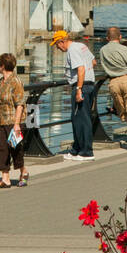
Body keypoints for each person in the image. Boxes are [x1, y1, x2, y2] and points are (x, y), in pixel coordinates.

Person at [98, 26, 127, 151]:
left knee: (122, 112)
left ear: (107, 38)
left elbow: (103, 65)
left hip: (113, 83)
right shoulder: (123, 48)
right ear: (120, 37)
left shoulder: (102, 50)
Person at [54, 30, 97, 161]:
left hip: (81, 87)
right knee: (78, 119)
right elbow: (93, 62)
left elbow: (81, 69)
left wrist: (78, 89)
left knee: (82, 120)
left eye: (56, 44)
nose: (57, 47)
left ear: (62, 41)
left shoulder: (72, 50)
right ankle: (76, 150)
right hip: (89, 85)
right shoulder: (81, 46)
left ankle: (86, 152)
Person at [0, 53, 27, 188]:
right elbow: (0, 93)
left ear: (2, 66)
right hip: (1, 120)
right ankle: (5, 178)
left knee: (15, 149)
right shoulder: (2, 81)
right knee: (2, 148)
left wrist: (17, 124)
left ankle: (23, 171)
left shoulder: (15, 82)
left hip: (13, 121)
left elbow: (20, 104)